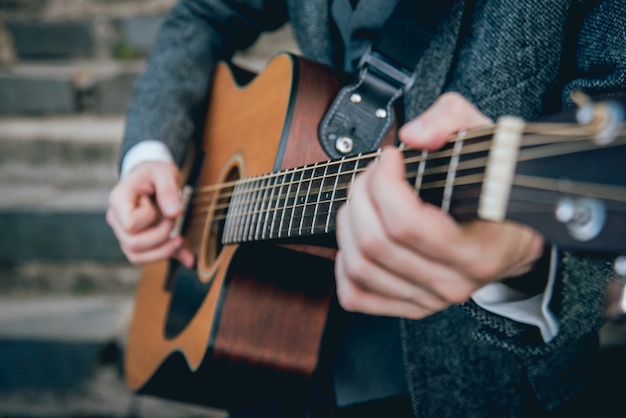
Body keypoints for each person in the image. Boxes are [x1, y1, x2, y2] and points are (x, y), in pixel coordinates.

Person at [106, 0, 626, 417]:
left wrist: (519, 253)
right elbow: (202, 13)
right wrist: (149, 153)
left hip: (474, 381)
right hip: (263, 349)